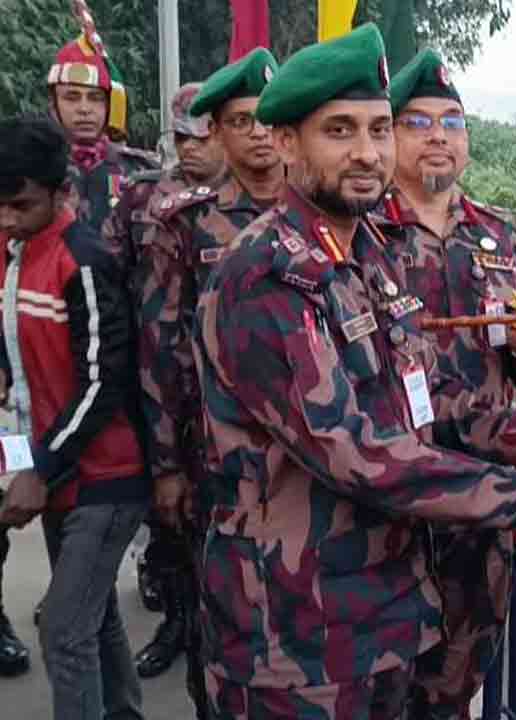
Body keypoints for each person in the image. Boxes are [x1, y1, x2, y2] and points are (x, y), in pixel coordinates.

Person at [193, 24, 516, 720]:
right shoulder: (267, 276)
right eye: (339, 131)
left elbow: (422, 402)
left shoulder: (366, 253)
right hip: (297, 639)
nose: (367, 152)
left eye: (378, 129)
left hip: (389, 614)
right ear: (285, 143)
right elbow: (356, 450)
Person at [377, 47, 516, 720]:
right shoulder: (362, 235)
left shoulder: (503, 235)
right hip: (392, 496)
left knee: (462, 670)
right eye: (417, 122)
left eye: (451, 121)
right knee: (385, 682)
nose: (438, 135)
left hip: (487, 490)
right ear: (388, 136)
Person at [129, 50, 283, 716]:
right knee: (216, 620)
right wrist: (167, 467)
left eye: (269, 120)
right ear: (216, 131)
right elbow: (160, 351)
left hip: (303, 455)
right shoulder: (186, 224)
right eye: (242, 121)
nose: (259, 134)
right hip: (211, 456)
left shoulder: (320, 215)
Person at [0, 116, 150, 719]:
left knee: (64, 631)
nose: (7, 218)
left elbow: (103, 382)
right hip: (58, 471)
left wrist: (41, 467)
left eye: (21, 205)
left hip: (106, 477)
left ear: (61, 191)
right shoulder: (18, 254)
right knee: (95, 616)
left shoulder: (82, 261)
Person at [102, 82, 224, 685]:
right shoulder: (144, 197)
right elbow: (109, 280)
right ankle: (176, 622)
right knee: (169, 524)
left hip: (218, 400)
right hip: (155, 388)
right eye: (182, 138)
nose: (191, 148)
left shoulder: (252, 201)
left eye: (201, 137)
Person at [47, 33, 158, 235]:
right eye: (72, 98)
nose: (84, 109)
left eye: (95, 98)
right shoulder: (35, 169)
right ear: (54, 107)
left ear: (109, 106)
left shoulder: (141, 170)